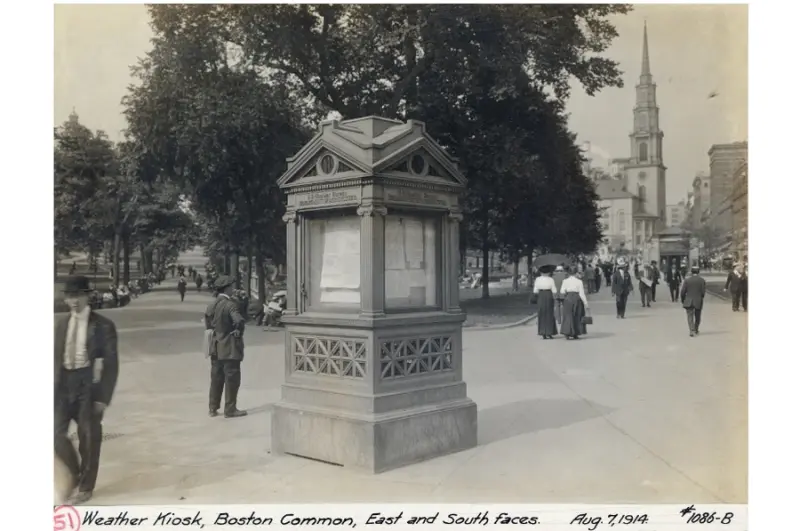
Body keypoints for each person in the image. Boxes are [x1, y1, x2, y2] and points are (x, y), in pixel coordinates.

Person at [54, 276, 119, 505]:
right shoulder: (60, 323)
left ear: (88, 296)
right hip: (62, 385)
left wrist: (102, 397)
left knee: (89, 437)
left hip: (87, 386)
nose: (74, 301)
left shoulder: (102, 325)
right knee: (54, 434)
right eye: (70, 296)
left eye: (78, 296)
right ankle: (76, 472)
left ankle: (86, 486)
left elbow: (111, 364)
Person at [204, 276, 248, 418]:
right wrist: (238, 331)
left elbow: (208, 325)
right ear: (227, 288)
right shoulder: (230, 305)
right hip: (229, 347)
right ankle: (230, 409)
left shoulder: (211, 305)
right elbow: (239, 320)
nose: (233, 289)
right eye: (231, 286)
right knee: (232, 378)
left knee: (216, 378)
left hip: (215, 347)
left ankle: (213, 408)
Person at [559, 266, 589, 340]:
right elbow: (581, 293)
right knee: (577, 315)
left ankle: (567, 332)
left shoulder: (565, 281)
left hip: (568, 298)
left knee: (568, 315)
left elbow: (562, 291)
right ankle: (575, 333)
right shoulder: (579, 281)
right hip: (576, 298)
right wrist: (586, 303)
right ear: (576, 273)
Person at [680, 265, 707, 337]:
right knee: (697, 316)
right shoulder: (702, 280)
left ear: (691, 272)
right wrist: (701, 297)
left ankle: (691, 330)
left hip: (689, 300)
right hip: (698, 300)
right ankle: (696, 328)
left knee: (690, 316)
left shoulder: (687, 280)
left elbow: (683, 292)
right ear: (698, 272)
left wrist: (683, 300)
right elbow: (703, 292)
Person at [532, 267, 558, 339]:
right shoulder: (551, 279)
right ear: (548, 272)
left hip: (541, 295)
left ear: (541, 272)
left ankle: (542, 332)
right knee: (549, 313)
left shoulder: (538, 279)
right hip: (549, 295)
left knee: (542, 313)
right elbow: (554, 290)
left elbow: (535, 290)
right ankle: (550, 332)